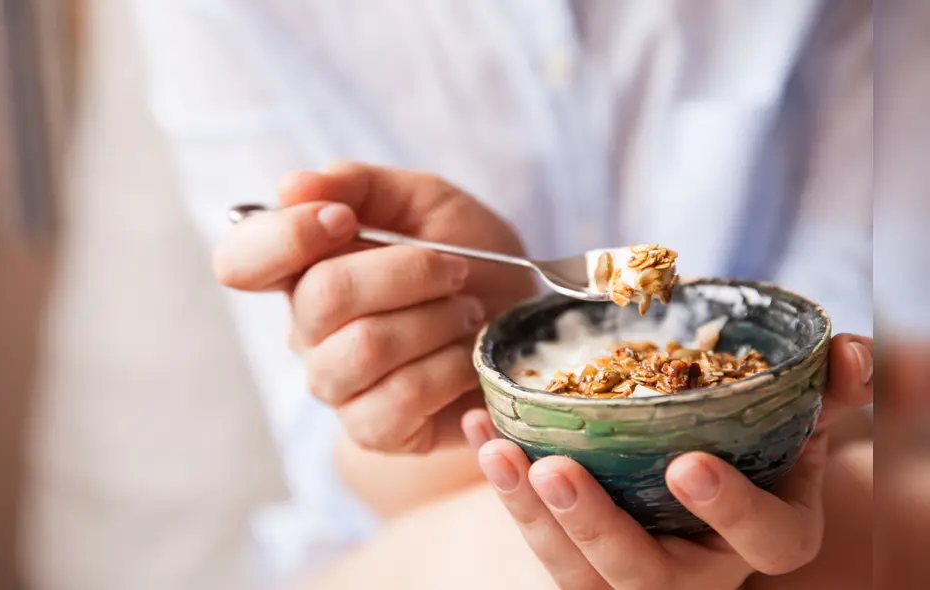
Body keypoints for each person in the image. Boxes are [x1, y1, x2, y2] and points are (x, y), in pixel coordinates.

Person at [130, 1, 874, 588]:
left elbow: (879, 377)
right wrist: (447, 368)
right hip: (421, 539)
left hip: (838, 507)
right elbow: (343, 465)